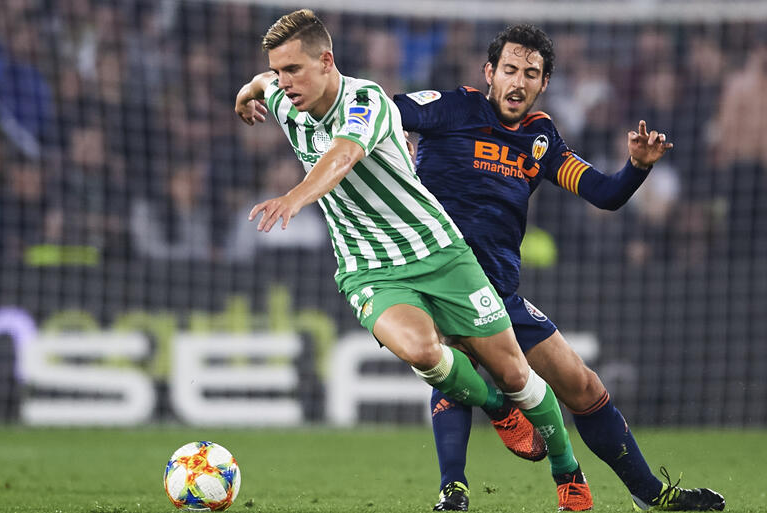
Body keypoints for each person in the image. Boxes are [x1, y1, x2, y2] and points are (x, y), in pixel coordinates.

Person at [235, 10, 590, 511]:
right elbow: (261, 83)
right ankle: (496, 409)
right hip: (369, 269)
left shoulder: (367, 101)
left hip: (441, 254)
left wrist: (295, 197)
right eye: (280, 70)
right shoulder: (285, 96)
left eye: (294, 69)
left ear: (327, 61)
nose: (285, 81)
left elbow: (343, 154)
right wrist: (246, 94)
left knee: (516, 375)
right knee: (424, 353)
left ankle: (567, 471)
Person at [393, 24, 726, 512]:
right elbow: (381, 109)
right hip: (442, 283)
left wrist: (637, 167)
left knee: (584, 386)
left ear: (544, 82)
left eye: (531, 74)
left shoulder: (540, 137)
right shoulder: (454, 108)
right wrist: (390, 136)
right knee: (454, 365)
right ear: (489, 72)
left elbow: (604, 194)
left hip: (500, 293)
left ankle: (650, 495)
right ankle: (454, 490)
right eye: (509, 70)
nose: (518, 82)